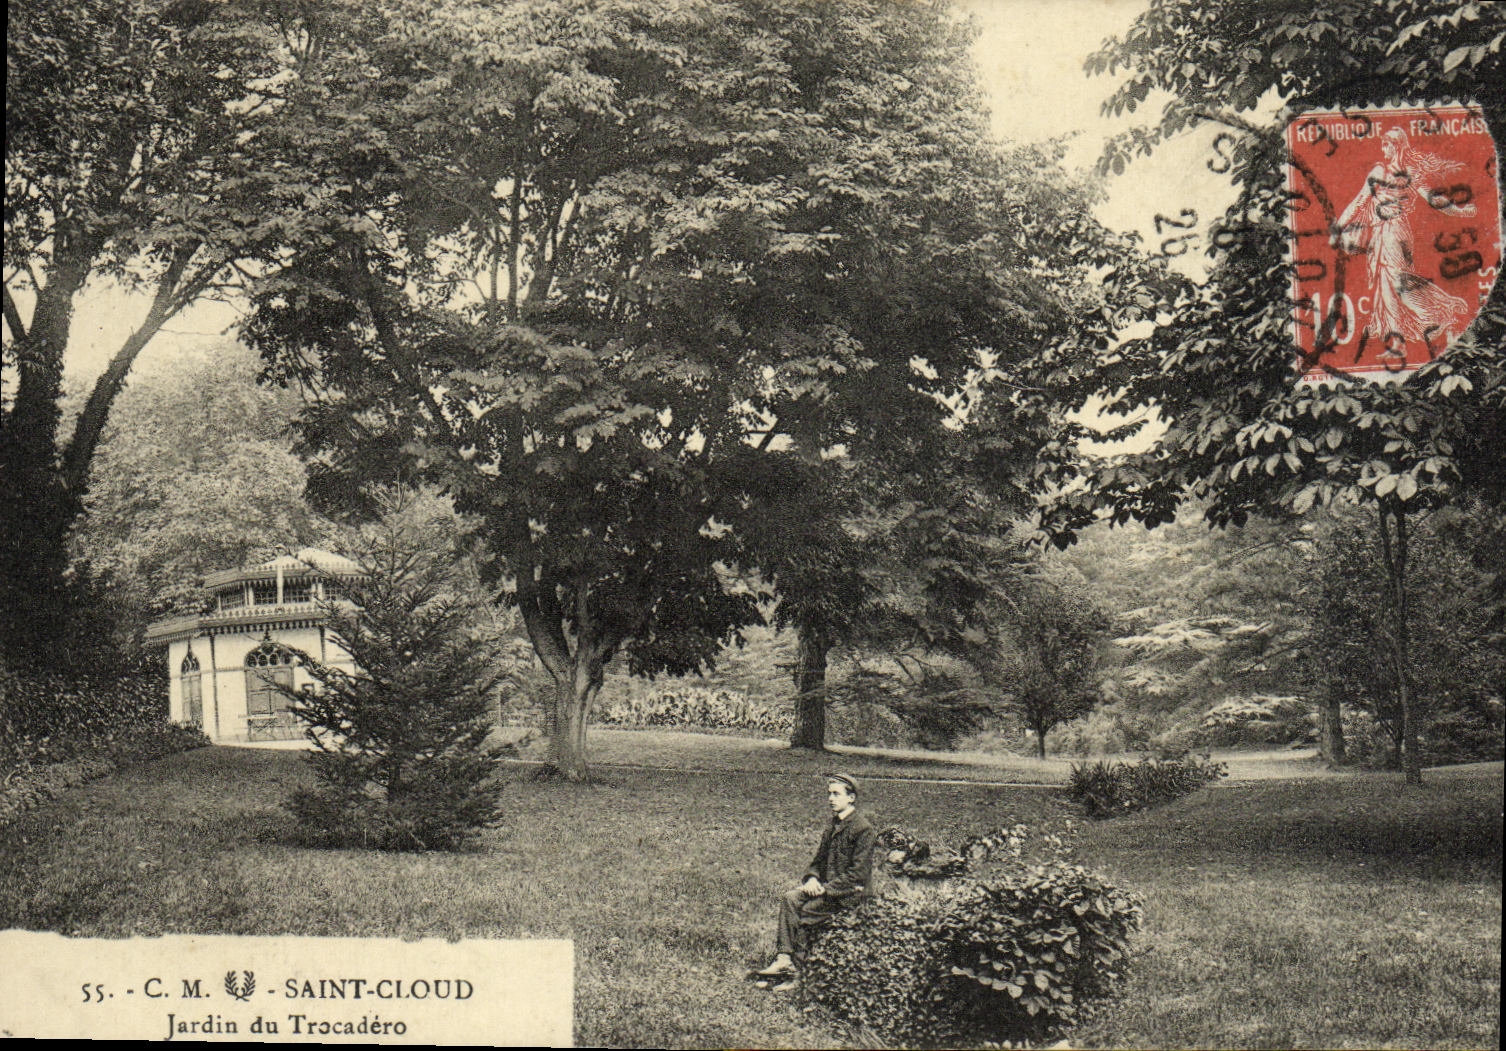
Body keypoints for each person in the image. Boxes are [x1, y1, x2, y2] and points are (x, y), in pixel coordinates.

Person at [1331, 127, 1474, 365]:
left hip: (1394, 232)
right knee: (1385, 288)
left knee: (1397, 281)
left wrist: (1458, 210)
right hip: (1382, 232)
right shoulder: (1395, 171)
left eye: (1386, 145)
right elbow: (1360, 201)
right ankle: (1396, 344)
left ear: (1396, 146)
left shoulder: (1394, 171)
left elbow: (1432, 198)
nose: (1383, 150)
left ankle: (1435, 315)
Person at [756, 773, 877, 991]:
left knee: (809, 911)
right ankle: (784, 959)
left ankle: (800, 976)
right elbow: (818, 862)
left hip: (849, 895)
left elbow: (858, 874)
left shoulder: (863, 829)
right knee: (791, 898)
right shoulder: (832, 826)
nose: (831, 799)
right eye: (829, 794)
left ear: (851, 798)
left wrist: (825, 889)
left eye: (836, 794)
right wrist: (812, 878)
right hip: (826, 890)